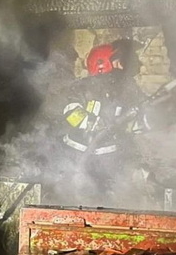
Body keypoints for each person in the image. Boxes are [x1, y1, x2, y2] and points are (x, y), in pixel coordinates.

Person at [57, 39, 154, 207]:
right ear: (102, 64)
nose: (125, 66)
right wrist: (96, 124)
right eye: (118, 61)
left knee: (106, 203)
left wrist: (151, 120)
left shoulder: (128, 89)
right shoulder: (83, 87)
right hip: (76, 155)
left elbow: (136, 122)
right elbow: (71, 112)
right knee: (74, 201)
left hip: (109, 159)